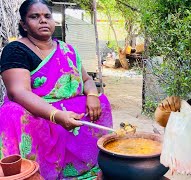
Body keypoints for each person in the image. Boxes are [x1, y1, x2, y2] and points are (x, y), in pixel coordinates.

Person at [0, 0, 112, 179]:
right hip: (38, 113)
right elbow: (18, 92)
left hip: (71, 114)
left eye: (47, 16)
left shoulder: (68, 50)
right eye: (35, 17)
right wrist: (55, 115)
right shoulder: (16, 50)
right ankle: (33, 173)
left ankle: (87, 168)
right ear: (24, 24)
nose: (43, 20)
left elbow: (86, 79)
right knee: (12, 112)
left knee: (102, 102)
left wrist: (92, 95)